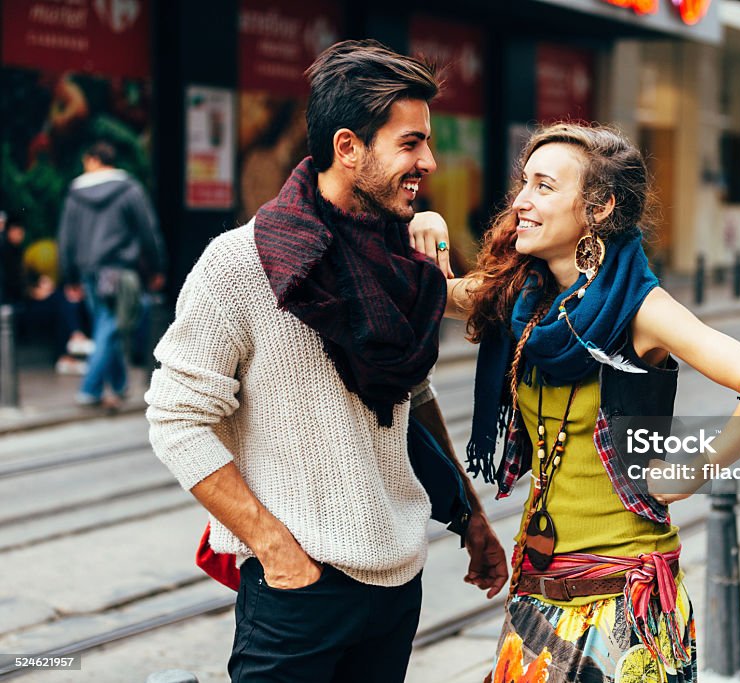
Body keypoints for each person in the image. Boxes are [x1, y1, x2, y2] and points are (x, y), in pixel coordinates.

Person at [145, 40, 506, 682]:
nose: (429, 160)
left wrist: (469, 513)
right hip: (299, 591)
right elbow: (175, 419)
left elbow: (412, 399)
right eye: (410, 143)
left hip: (398, 581)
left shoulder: (401, 263)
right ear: (348, 147)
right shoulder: (241, 265)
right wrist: (274, 547)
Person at [432, 123, 740, 682]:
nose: (522, 202)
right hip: (538, 593)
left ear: (598, 208)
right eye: (523, 183)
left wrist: (689, 472)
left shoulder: (642, 308)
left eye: (545, 187)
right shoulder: (522, 299)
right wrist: (428, 226)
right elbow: (433, 286)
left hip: (622, 600)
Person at [57, 140, 166, 408]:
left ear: (93, 160)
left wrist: (69, 276)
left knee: (106, 325)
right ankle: (98, 387)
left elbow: (66, 238)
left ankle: (105, 386)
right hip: (119, 270)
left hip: (89, 272)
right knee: (111, 327)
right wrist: (156, 267)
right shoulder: (129, 189)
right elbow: (147, 230)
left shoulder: (75, 193)